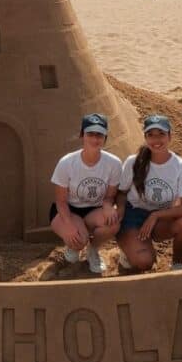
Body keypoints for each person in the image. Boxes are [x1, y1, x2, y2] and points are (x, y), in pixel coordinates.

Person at [116, 115, 182, 272]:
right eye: (150, 135)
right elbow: (121, 193)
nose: (156, 139)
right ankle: (128, 248)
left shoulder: (180, 166)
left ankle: (177, 264)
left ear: (170, 136)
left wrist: (156, 215)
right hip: (135, 215)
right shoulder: (134, 162)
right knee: (144, 262)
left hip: (161, 218)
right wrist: (119, 208)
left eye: (161, 134)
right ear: (145, 137)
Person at [49, 113, 121, 274]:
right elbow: (60, 201)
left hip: (94, 209)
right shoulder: (67, 163)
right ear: (82, 135)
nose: (95, 139)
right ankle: (75, 245)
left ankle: (93, 250)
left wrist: (109, 205)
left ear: (105, 137)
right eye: (90, 134)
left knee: (113, 222)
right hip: (68, 208)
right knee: (78, 241)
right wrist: (68, 225)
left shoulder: (114, 163)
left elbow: (110, 195)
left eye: (99, 135)